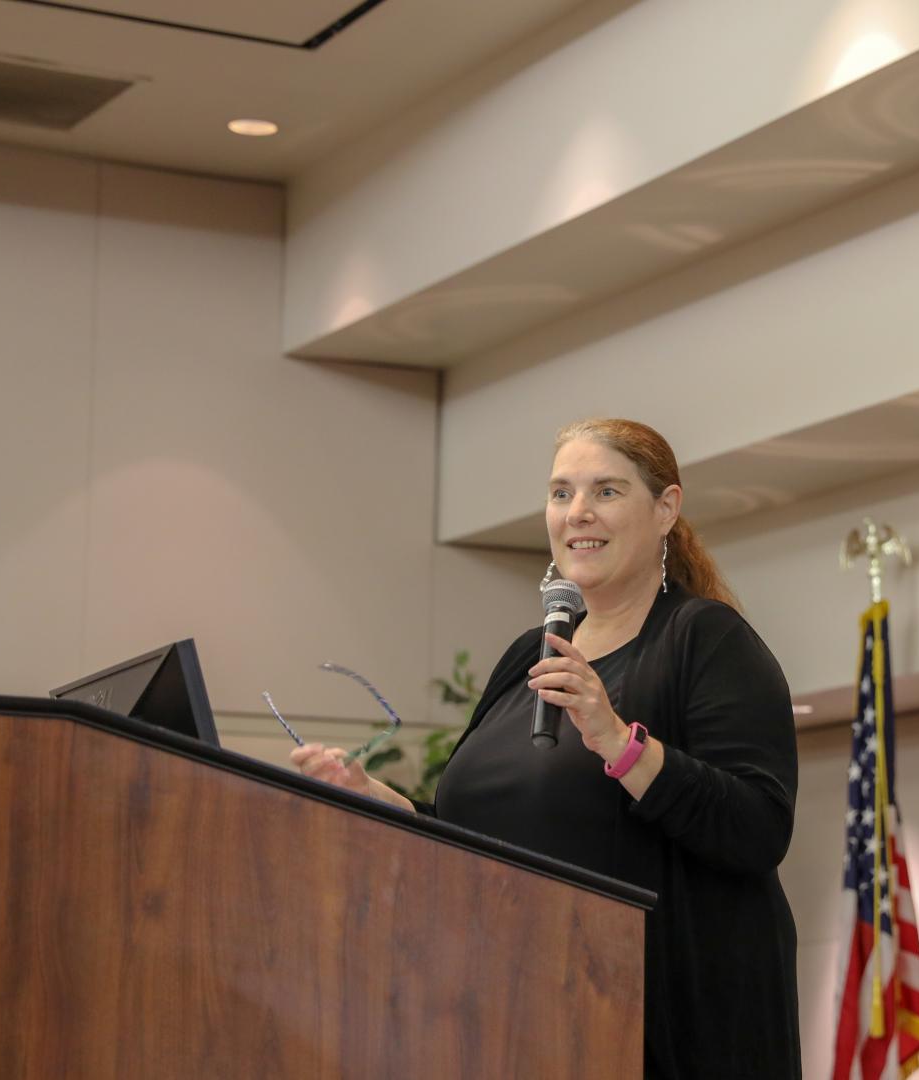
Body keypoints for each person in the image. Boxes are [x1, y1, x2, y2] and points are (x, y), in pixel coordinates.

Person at [292, 417, 801, 1079]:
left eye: (607, 492)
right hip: (508, 1021)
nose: (578, 513)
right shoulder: (524, 659)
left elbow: (759, 827)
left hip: (649, 1031)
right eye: (561, 494)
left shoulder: (704, 640)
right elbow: (480, 839)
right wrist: (379, 800)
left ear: (665, 509)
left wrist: (619, 743)